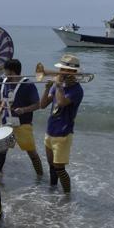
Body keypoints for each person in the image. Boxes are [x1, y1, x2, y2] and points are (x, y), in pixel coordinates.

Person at [39, 54, 84, 193]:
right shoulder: (58, 85)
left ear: (74, 72)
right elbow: (43, 105)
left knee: (60, 168)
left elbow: (62, 102)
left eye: (65, 70)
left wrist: (58, 85)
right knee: (51, 166)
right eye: (61, 69)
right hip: (50, 130)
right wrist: (47, 88)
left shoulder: (77, 90)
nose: (61, 73)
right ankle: (52, 190)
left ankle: (67, 195)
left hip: (63, 133)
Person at [0, 58, 43, 176]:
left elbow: (38, 105)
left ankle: (40, 176)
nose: (6, 75)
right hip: (7, 123)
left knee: (32, 153)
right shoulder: (6, 82)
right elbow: (4, 100)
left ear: (13, 72)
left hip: (23, 124)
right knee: (2, 151)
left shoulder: (28, 85)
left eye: (7, 72)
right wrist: (0, 109)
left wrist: (24, 110)